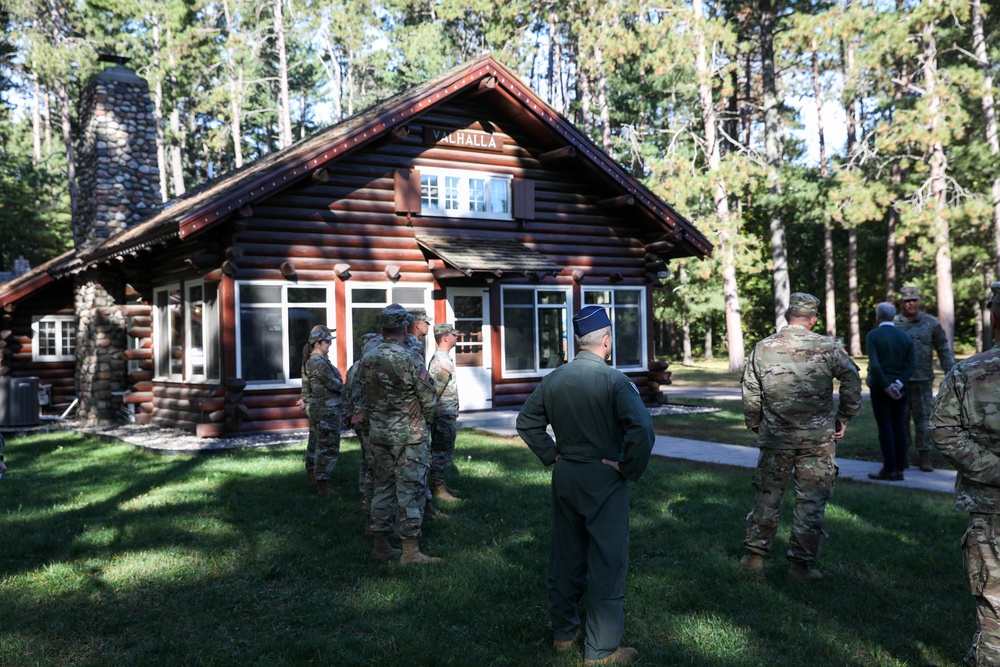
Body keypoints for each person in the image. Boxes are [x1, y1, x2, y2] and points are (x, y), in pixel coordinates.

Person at [516, 305, 655, 666]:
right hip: (603, 477)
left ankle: (564, 634)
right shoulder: (614, 380)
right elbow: (642, 429)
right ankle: (601, 650)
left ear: (580, 341)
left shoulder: (554, 378)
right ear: (606, 340)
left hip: (566, 475)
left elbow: (526, 421)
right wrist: (627, 467)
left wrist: (551, 454)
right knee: (607, 560)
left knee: (566, 553)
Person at [739, 292, 862, 581]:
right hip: (817, 439)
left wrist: (756, 424)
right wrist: (844, 416)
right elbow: (852, 377)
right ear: (813, 319)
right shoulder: (828, 347)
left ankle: (754, 558)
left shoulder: (763, 348)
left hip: (776, 437)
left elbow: (750, 391)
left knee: (767, 496)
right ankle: (801, 566)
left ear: (787, 316)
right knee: (811, 501)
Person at [931, 280, 1000, 667]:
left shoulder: (969, 372)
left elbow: (942, 429)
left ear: (994, 318)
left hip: (991, 505)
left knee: (995, 605)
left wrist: (991, 470)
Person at [356, 303, 439, 564]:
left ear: (381, 329)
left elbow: (362, 396)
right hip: (409, 436)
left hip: (379, 435)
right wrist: (426, 422)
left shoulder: (367, 359)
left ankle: (380, 546)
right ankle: (410, 551)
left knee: (383, 486)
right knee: (410, 490)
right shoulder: (409, 358)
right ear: (405, 327)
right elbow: (429, 399)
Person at [895, 285, 955, 472]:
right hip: (900, 381)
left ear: (919, 301)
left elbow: (943, 349)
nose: (911, 304)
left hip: (923, 379)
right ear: (901, 303)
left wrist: (951, 372)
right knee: (901, 420)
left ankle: (924, 457)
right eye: (907, 301)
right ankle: (902, 456)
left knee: (923, 420)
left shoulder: (931, 323)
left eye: (914, 300)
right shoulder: (894, 323)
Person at [865, 302, 916, 481]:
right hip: (901, 388)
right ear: (893, 316)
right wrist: (898, 383)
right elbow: (912, 365)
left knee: (885, 426)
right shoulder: (905, 336)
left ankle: (889, 469)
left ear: (878, 316)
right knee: (900, 426)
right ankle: (900, 469)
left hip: (881, 387)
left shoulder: (873, 336)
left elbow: (875, 364)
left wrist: (887, 385)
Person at [302, 325, 344, 495]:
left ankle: (316, 477)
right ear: (317, 343)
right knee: (327, 446)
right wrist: (348, 389)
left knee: (319, 443)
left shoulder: (317, 360)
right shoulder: (317, 362)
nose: (330, 344)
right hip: (326, 410)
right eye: (327, 342)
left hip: (324, 409)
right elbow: (334, 384)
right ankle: (323, 483)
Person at [345, 332, 379, 531]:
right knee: (373, 465)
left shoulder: (354, 367)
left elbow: (346, 392)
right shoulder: (367, 368)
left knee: (367, 460)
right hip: (368, 422)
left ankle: (364, 496)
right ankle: (370, 511)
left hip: (360, 421)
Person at [428, 323, 461, 502]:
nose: (457, 337)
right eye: (454, 335)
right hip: (442, 414)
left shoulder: (442, 358)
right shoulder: (443, 361)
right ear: (446, 337)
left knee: (444, 449)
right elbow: (435, 391)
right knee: (442, 450)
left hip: (444, 413)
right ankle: (438, 488)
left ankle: (441, 484)